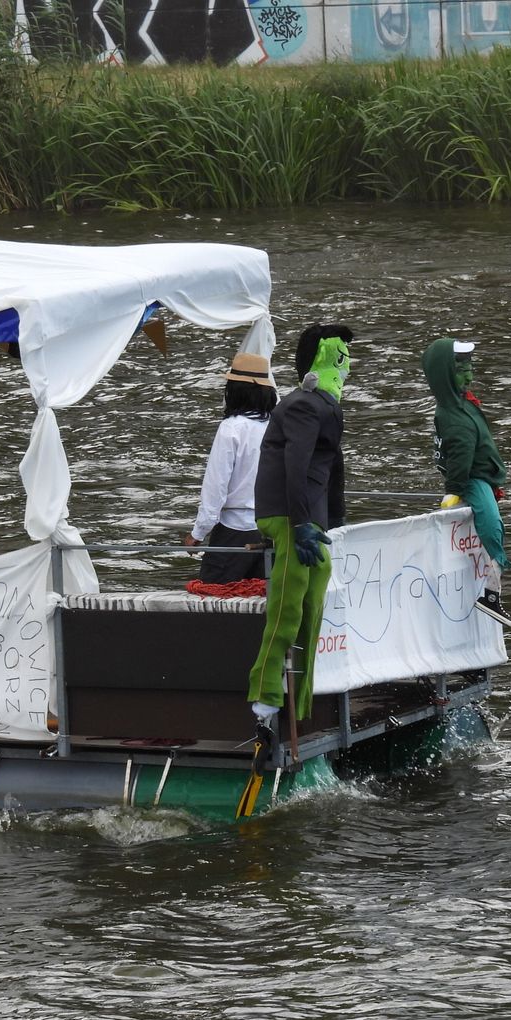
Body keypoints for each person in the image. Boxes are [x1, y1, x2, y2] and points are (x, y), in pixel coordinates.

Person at [245, 324, 352, 767]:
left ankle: (301, 702)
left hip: (309, 515)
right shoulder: (305, 404)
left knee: (315, 596)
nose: (347, 367)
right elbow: (296, 463)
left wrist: (336, 519)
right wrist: (302, 522)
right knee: (287, 605)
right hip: (289, 514)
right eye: (341, 358)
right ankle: (264, 701)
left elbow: (332, 466)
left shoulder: (326, 406)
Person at [422, 337, 511, 630]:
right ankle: (491, 595)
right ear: (446, 375)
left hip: (481, 479)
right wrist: (454, 490)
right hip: (475, 482)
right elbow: (461, 454)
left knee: (493, 527)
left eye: (470, 369)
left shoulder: (461, 406)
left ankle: (491, 593)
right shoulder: (455, 417)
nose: (470, 377)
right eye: (462, 371)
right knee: (493, 528)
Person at [184, 352, 277, 586]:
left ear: (235, 391)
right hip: (272, 528)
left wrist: (198, 533)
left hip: (234, 530)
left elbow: (215, 487)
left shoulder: (231, 428)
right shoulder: (277, 426)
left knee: (213, 593)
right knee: (263, 594)